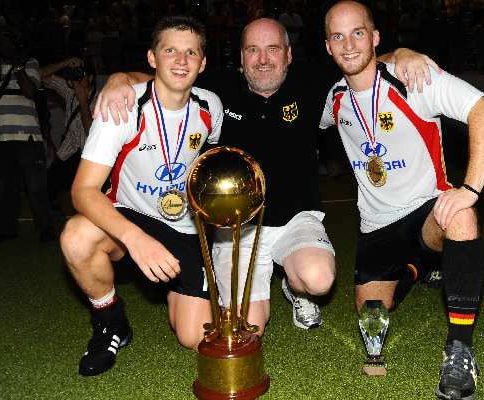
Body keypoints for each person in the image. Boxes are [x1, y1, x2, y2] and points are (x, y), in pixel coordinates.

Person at [93, 19, 438, 334]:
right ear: (240, 58)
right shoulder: (216, 91)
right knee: (247, 330)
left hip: (296, 220)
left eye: (272, 49)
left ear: (288, 55)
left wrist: (401, 54)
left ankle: (295, 286)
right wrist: (119, 79)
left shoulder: (314, 83)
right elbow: (166, 78)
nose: (262, 59)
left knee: (318, 279)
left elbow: (360, 62)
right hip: (236, 230)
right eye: (252, 50)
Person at [320, 2, 484, 399]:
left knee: (462, 216)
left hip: (427, 213)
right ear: (327, 47)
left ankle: (459, 351)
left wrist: (468, 190)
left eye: (358, 33)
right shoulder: (333, 99)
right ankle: (416, 270)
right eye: (337, 36)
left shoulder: (414, 77)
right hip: (374, 229)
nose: (348, 45)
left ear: (375, 37)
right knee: (373, 322)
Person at [59, 16, 223, 377]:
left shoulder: (211, 107)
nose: (181, 61)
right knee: (77, 235)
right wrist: (136, 240)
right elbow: (83, 190)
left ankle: (178, 294)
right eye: (170, 51)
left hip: (184, 230)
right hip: (128, 217)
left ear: (203, 63)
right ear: (152, 58)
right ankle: (111, 323)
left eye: (191, 52)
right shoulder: (122, 108)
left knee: (195, 337)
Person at [0, 27, 56, 244]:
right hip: (0, 138)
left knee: (36, 187)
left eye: (8, 40)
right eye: (1, 40)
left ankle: (46, 229)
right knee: (3, 187)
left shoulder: (29, 63)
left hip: (27, 137)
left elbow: (30, 91)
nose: (5, 44)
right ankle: (5, 230)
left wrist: (16, 63)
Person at [41, 56, 97, 208]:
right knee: (50, 184)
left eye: (81, 73)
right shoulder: (69, 91)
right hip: (69, 148)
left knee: (92, 194)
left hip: (90, 153)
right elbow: (39, 76)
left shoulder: (100, 99)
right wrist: (64, 63)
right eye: (75, 72)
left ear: (91, 78)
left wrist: (83, 102)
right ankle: (53, 213)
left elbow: (89, 130)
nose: (77, 77)